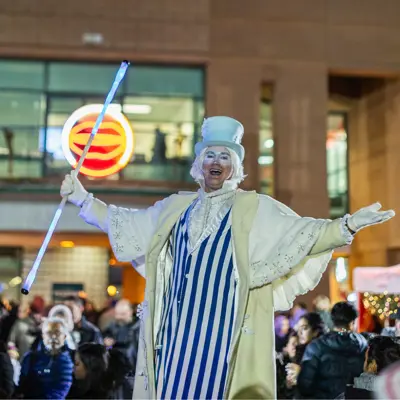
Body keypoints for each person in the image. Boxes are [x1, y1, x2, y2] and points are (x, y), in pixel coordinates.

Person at [60, 116, 395, 399]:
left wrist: (348, 225)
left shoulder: (254, 208)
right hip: (173, 342)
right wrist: (83, 200)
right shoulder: (174, 208)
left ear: (234, 167)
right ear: (199, 164)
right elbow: (124, 223)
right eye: (210, 155)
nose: (216, 162)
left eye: (224, 156)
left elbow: (306, 232)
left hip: (225, 344)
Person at [296, 302, 368, 399]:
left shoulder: (316, 346)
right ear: (352, 322)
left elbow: (305, 385)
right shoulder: (363, 344)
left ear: (332, 320)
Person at [18, 317, 73, 399]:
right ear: (43, 336)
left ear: (64, 336)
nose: (53, 336)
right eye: (49, 333)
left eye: (57, 332)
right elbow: (22, 386)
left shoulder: (73, 358)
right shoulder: (30, 358)